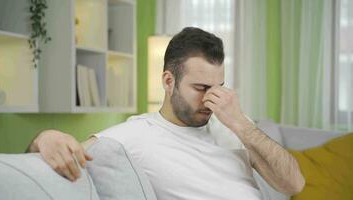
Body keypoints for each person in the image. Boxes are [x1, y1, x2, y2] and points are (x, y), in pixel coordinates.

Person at [27, 27, 305, 200]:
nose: (211, 98)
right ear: (168, 81)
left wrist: (242, 125)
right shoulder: (136, 134)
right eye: (200, 87)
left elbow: (294, 184)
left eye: (219, 86)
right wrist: (44, 137)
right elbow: (58, 156)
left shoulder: (233, 125)